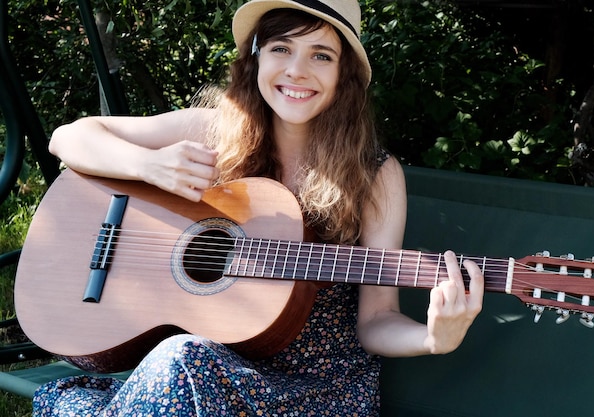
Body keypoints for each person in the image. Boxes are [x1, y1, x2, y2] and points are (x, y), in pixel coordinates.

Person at [32, 0, 484, 415]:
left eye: (321, 55)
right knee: (184, 360)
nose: (297, 70)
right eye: (281, 48)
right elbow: (68, 138)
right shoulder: (214, 131)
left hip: (319, 391)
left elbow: (376, 320)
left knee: (181, 361)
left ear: (344, 75)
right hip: (209, 371)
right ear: (256, 57)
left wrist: (431, 338)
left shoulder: (374, 174)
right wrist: (149, 165)